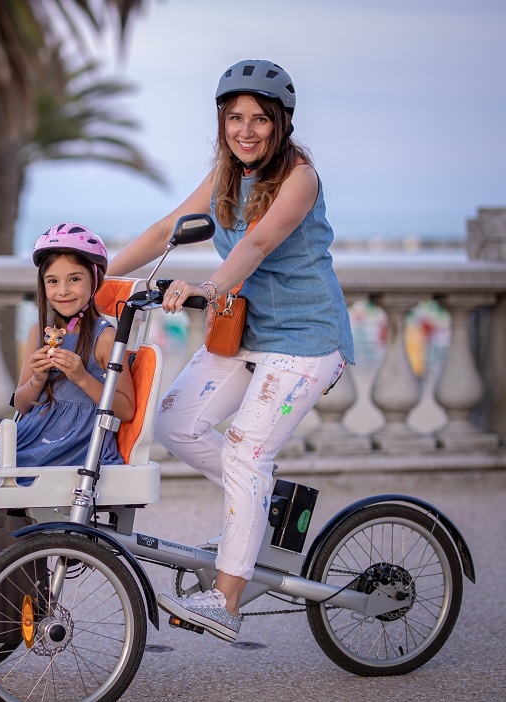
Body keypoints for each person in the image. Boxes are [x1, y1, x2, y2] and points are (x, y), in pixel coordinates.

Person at [108, 59, 354, 642]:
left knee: (246, 453)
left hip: (306, 340)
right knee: (172, 423)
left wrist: (211, 287)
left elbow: (258, 241)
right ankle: (262, 502)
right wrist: (97, 277)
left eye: (259, 119)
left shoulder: (300, 177)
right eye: (235, 117)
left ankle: (227, 598)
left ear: (281, 123)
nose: (246, 130)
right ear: (222, 122)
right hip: (244, 333)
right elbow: (169, 226)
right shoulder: (223, 173)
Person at [0, 223, 135, 468]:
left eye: (74, 279)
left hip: (79, 446)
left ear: (94, 279)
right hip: (34, 435)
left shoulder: (105, 338)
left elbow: (126, 410)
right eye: (52, 281)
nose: (63, 291)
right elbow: (21, 404)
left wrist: (81, 377)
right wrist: (37, 380)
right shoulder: (39, 332)